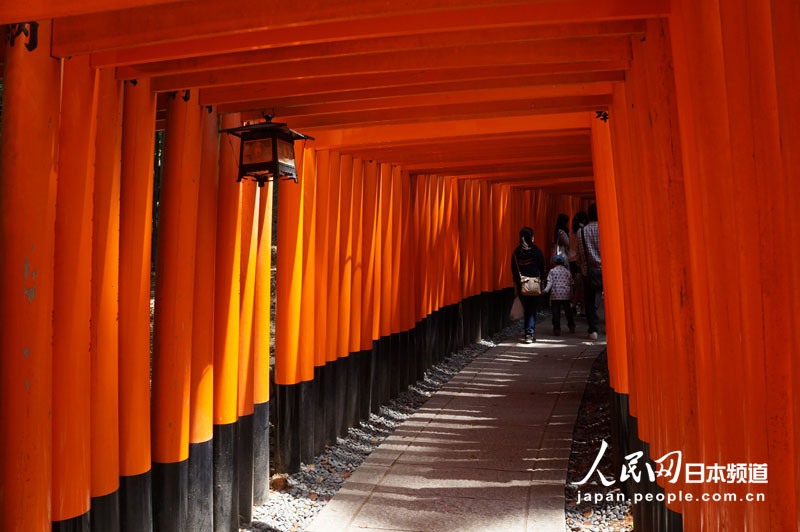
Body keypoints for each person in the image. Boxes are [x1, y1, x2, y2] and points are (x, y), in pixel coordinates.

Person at [510, 227, 545, 343]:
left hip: (522, 284)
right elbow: (542, 268)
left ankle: (528, 331)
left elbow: (514, 271)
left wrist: (515, 287)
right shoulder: (536, 251)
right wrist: (543, 282)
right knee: (531, 308)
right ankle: (529, 333)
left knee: (527, 308)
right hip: (534, 283)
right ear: (532, 238)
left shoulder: (516, 253)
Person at [577, 204, 602, 340]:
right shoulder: (606, 228)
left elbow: (581, 254)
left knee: (589, 301)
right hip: (606, 270)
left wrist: (582, 268)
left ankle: (593, 331)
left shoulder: (582, 231)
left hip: (589, 271)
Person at [544, 254, 575, 335]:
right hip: (566, 295)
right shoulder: (567, 271)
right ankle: (571, 326)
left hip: (555, 295)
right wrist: (572, 295)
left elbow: (549, 283)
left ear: (554, 262)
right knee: (568, 312)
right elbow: (571, 284)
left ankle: (557, 329)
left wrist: (545, 291)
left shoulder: (552, 271)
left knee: (556, 313)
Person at [570, 211, 588, 315]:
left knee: (576, 285)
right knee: (582, 286)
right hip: (579, 261)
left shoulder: (571, 231)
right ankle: (581, 308)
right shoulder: (582, 231)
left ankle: (574, 305)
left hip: (571, 260)